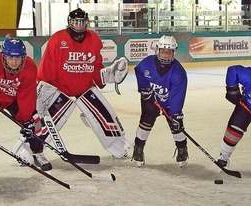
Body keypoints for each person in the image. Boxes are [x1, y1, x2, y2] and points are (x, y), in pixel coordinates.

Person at [36, 8, 131, 158]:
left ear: (87, 23)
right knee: (46, 120)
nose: (79, 25)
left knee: (104, 114)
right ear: (69, 23)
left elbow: (95, 67)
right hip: (60, 89)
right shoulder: (57, 39)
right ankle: (32, 148)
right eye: (75, 22)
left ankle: (117, 145)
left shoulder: (93, 39)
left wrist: (107, 76)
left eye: (82, 22)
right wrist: (44, 90)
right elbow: (48, 66)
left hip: (84, 88)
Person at [0, 37, 50, 171]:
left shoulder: (29, 68)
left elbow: (27, 96)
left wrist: (26, 119)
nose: (14, 62)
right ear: (3, 56)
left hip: (12, 98)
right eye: (10, 58)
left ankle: (38, 152)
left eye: (18, 58)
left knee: (35, 123)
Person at [131, 35, 189, 167]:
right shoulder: (147, 63)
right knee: (146, 120)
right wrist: (144, 88)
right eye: (163, 51)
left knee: (176, 125)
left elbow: (177, 96)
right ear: (158, 51)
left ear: (174, 53)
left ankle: (182, 149)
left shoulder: (179, 73)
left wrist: (175, 114)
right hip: (151, 98)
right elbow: (138, 71)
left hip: (169, 102)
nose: (165, 55)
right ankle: (138, 149)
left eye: (169, 52)